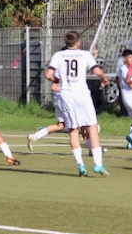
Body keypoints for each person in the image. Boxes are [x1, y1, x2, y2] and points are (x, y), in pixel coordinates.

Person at [45, 31, 110, 176]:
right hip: (81, 94)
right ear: (78, 42)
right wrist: (104, 78)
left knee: (73, 129)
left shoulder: (58, 55)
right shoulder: (84, 55)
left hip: (66, 95)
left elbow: (48, 75)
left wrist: (57, 80)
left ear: (66, 42)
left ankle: (80, 165)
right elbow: (97, 71)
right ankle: (98, 164)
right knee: (92, 126)